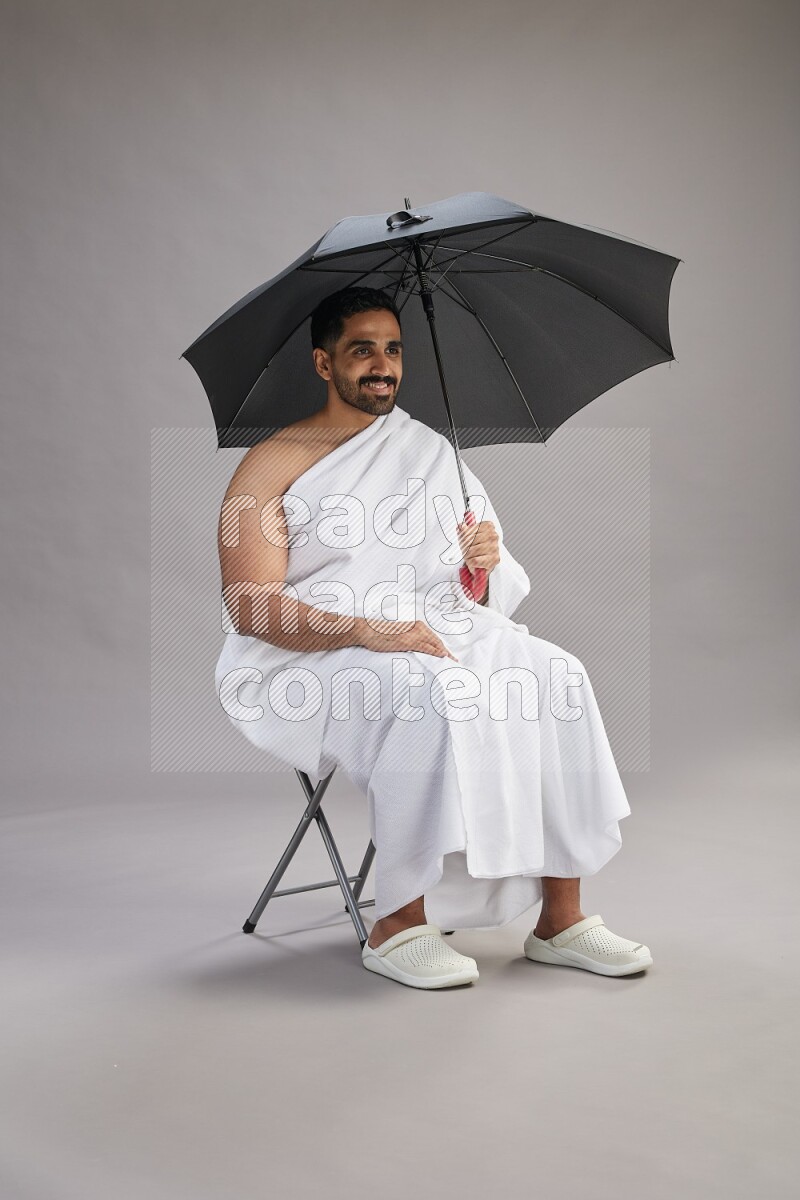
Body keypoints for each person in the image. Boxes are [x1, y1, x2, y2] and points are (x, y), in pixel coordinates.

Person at [215, 286, 652, 990]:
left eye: (393, 350)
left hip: (431, 623)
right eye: (362, 350)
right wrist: (366, 629)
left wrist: (480, 563)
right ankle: (398, 922)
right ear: (324, 363)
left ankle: (560, 921)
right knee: (425, 691)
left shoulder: (429, 450)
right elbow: (250, 606)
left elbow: (471, 588)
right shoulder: (269, 464)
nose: (382, 365)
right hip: (313, 648)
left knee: (556, 675)